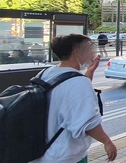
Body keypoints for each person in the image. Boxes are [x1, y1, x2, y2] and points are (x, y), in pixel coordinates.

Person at [32, 34, 117, 163]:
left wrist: (89, 72)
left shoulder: (47, 73)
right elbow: (88, 123)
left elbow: (71, 93)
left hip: (43, 153)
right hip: (66, 156)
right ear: (77, 53)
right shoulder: (79, 82)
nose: (93, 52)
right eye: (89, 49)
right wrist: (107, 142)